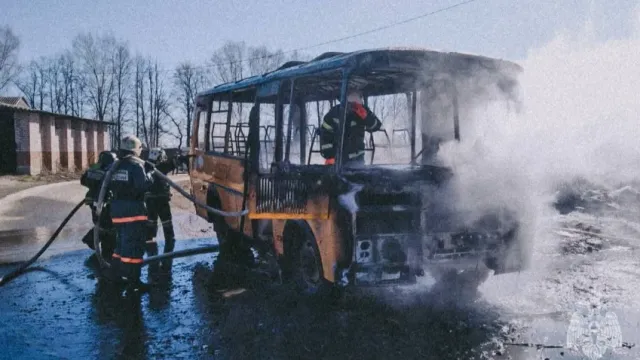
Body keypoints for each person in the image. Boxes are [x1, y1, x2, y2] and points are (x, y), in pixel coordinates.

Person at [106, 135, 154, 293]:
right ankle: (134, 282)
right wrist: (150, 174)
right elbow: (143, 186)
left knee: (120, 245)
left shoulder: (115, 165)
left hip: (117, 211)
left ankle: (115, 276)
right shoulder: (135, 165)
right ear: (136, 149)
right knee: (134, 248)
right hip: (133, 212)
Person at [318, 89, 382, 167]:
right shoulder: (333, 114)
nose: (354, 107)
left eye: (356, 104)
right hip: (337, 161)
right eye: (351, 104)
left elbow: (376, 126)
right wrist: (329, 156)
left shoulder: (363, 111)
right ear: (345, 101)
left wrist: (366, 118)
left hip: (357, 161)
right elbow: (325, 136)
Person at [80, 151, 118, 265]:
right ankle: (101, 245)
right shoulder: (109, 170)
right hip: (104, 202)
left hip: (92, 201)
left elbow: (83, 181)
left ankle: (95, 241)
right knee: (109, 225)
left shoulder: (94, 168)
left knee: (100, 223)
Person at [144, 147, 177, 272]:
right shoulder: (161, 166)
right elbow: (173, 164)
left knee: (151, 219)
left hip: (150, 200)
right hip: (161, 199)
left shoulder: (145, 166)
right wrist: (179, 157)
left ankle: (150, 237)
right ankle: (169, 238)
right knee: (166, 220)